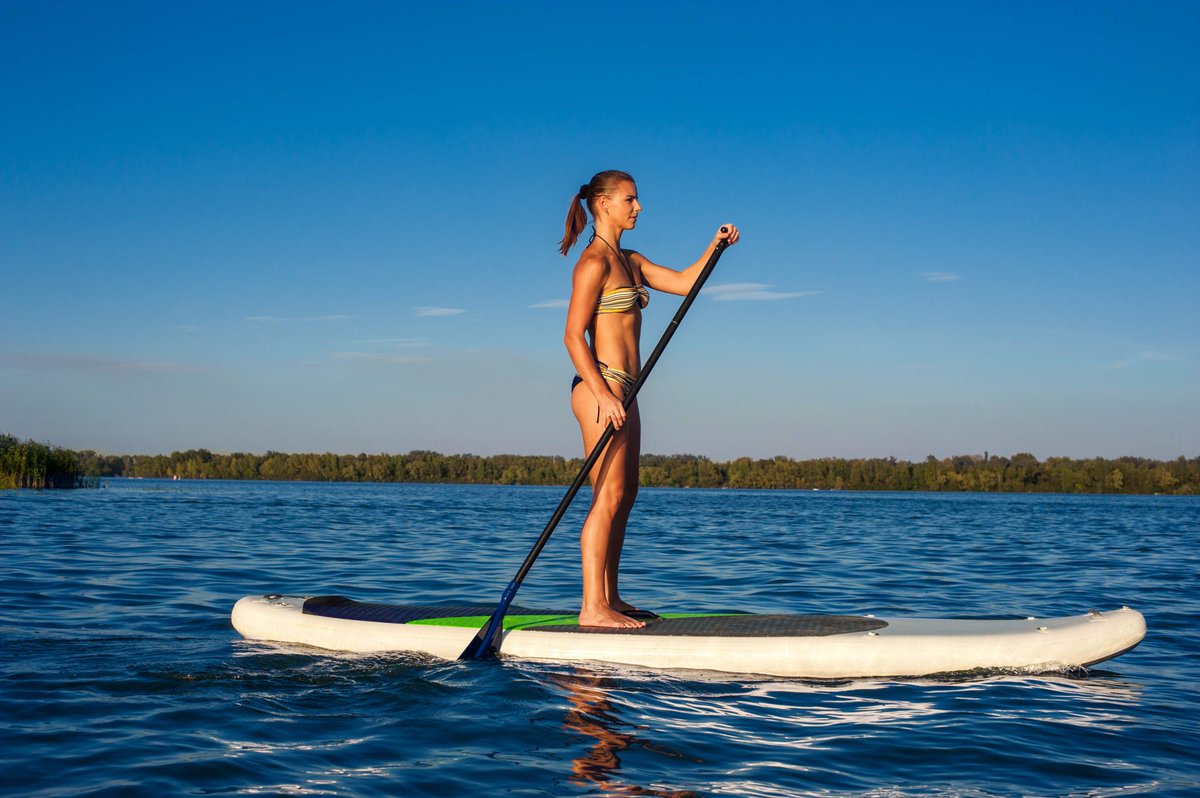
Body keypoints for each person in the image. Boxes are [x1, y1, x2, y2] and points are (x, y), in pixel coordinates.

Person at [560, 170, 739, 628]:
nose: (638, 207)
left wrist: (714, 247)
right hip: (601, 388)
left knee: (626, 493)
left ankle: (611, 597)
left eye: (637, 200)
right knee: (608, 493)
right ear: (602, 204)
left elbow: (683, 282)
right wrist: (601, 392)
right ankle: (590, 607)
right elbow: (572, 337)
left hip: (627, 392)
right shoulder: (593, 263)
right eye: (630, 199)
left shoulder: (631, 260)